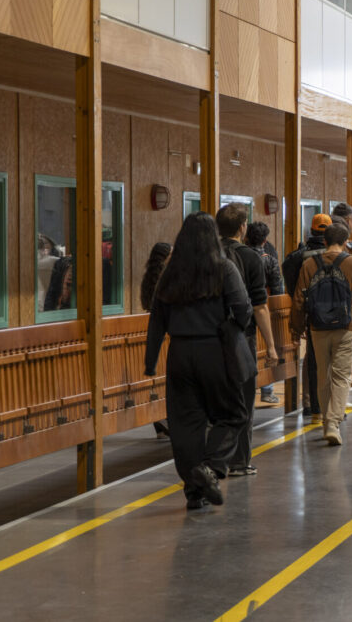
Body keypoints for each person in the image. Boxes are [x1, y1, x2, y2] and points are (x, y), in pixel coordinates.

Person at [144, 212, 252, 510]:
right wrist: (233, 328)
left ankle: (194, 492)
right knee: (232, 414)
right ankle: (211, 467)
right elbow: (242, 308)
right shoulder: (224, 268)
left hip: (179, 353)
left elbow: (157, 320)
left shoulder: (170, 272)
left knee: (185, 425)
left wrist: (150, 361)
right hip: (215, 350)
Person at [289, 223, 352, 445]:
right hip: (346, 326)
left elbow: (299, 300)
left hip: (317, 327)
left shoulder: (309, 264)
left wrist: (296, 329)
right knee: (340, 375)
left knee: (322, 374)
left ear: (324, 241)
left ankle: (327, 420)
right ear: (346, 241)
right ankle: (332, 423)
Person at [216, 203, 279, 477]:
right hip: (242, 337)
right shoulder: (251, 258)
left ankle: (213, 460)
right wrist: (271, 346)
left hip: (209, 337)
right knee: (243, 397)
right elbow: (260, 306)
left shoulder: (206, 255)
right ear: (243, 227)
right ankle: (240, 461)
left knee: (216, 398)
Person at [282, 213, 332, 418]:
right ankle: (329, 405)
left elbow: (292, 286)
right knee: (333, 361)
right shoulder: (339, 255)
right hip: (337, 315)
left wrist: (297, 320)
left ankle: (311, 404)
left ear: (310, 231)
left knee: (312, 358)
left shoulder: (298, 257)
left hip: (311, 313)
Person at [245, 221, 285, 403]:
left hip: (242, 309)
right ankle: (267, 390)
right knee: (266, 348)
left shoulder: (239, 257)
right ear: (265, 239)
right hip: (264, 307)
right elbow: (277, 288)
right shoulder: (269, 259)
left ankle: (248, 392)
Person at [139, 241, 173, 439]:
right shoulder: (166, 278)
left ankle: (160, 424)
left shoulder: (149, 278)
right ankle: (165, 420)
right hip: (164, 332)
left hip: (152, 328)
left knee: (158, 379)